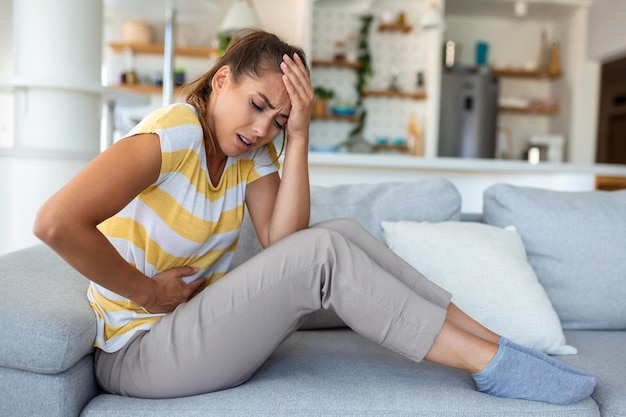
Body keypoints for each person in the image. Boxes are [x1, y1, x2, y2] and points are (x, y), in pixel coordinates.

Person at [33, 29, 596, 404]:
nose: (260, 129)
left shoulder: (245, 154)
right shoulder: (176, 130)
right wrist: (146, 292)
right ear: (222, 79)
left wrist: (297, 135)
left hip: (198, 337)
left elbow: (284, 240)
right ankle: (491, 364)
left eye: (276, 121)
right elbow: (55, 222)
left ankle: (496, 345)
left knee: (341, 232)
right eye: (258, 105)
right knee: (326, 251)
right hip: (140, 354)